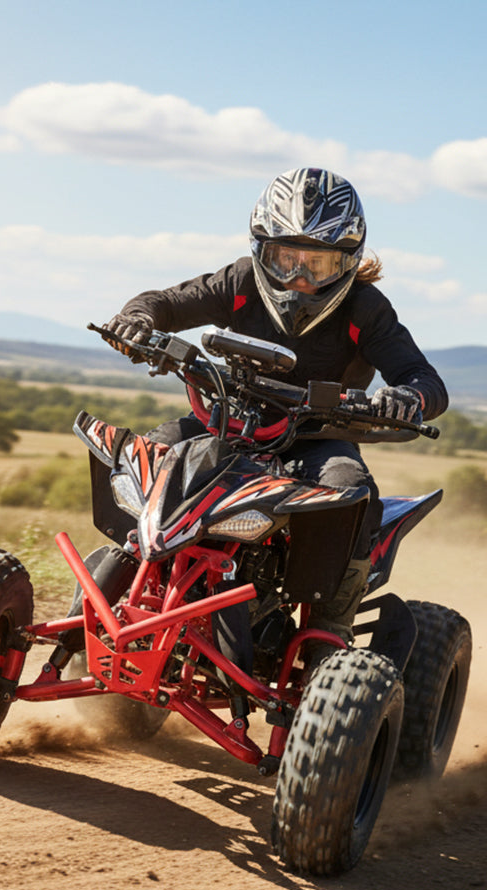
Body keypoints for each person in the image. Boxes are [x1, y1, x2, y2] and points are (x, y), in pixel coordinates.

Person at [103, 166, 448, 659]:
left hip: (317, 439)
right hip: (227, 424)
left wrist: (407, 397)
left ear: (348, 261)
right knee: (152, 450)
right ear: (261, 249)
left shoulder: (366, 309)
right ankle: (135, 559)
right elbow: (165, 303)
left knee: (350, 489)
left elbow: (425, 380)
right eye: (286, 258)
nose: (299, 277)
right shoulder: (240, 281)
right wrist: (137, 320)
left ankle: (328, 635)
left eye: (318, 264)